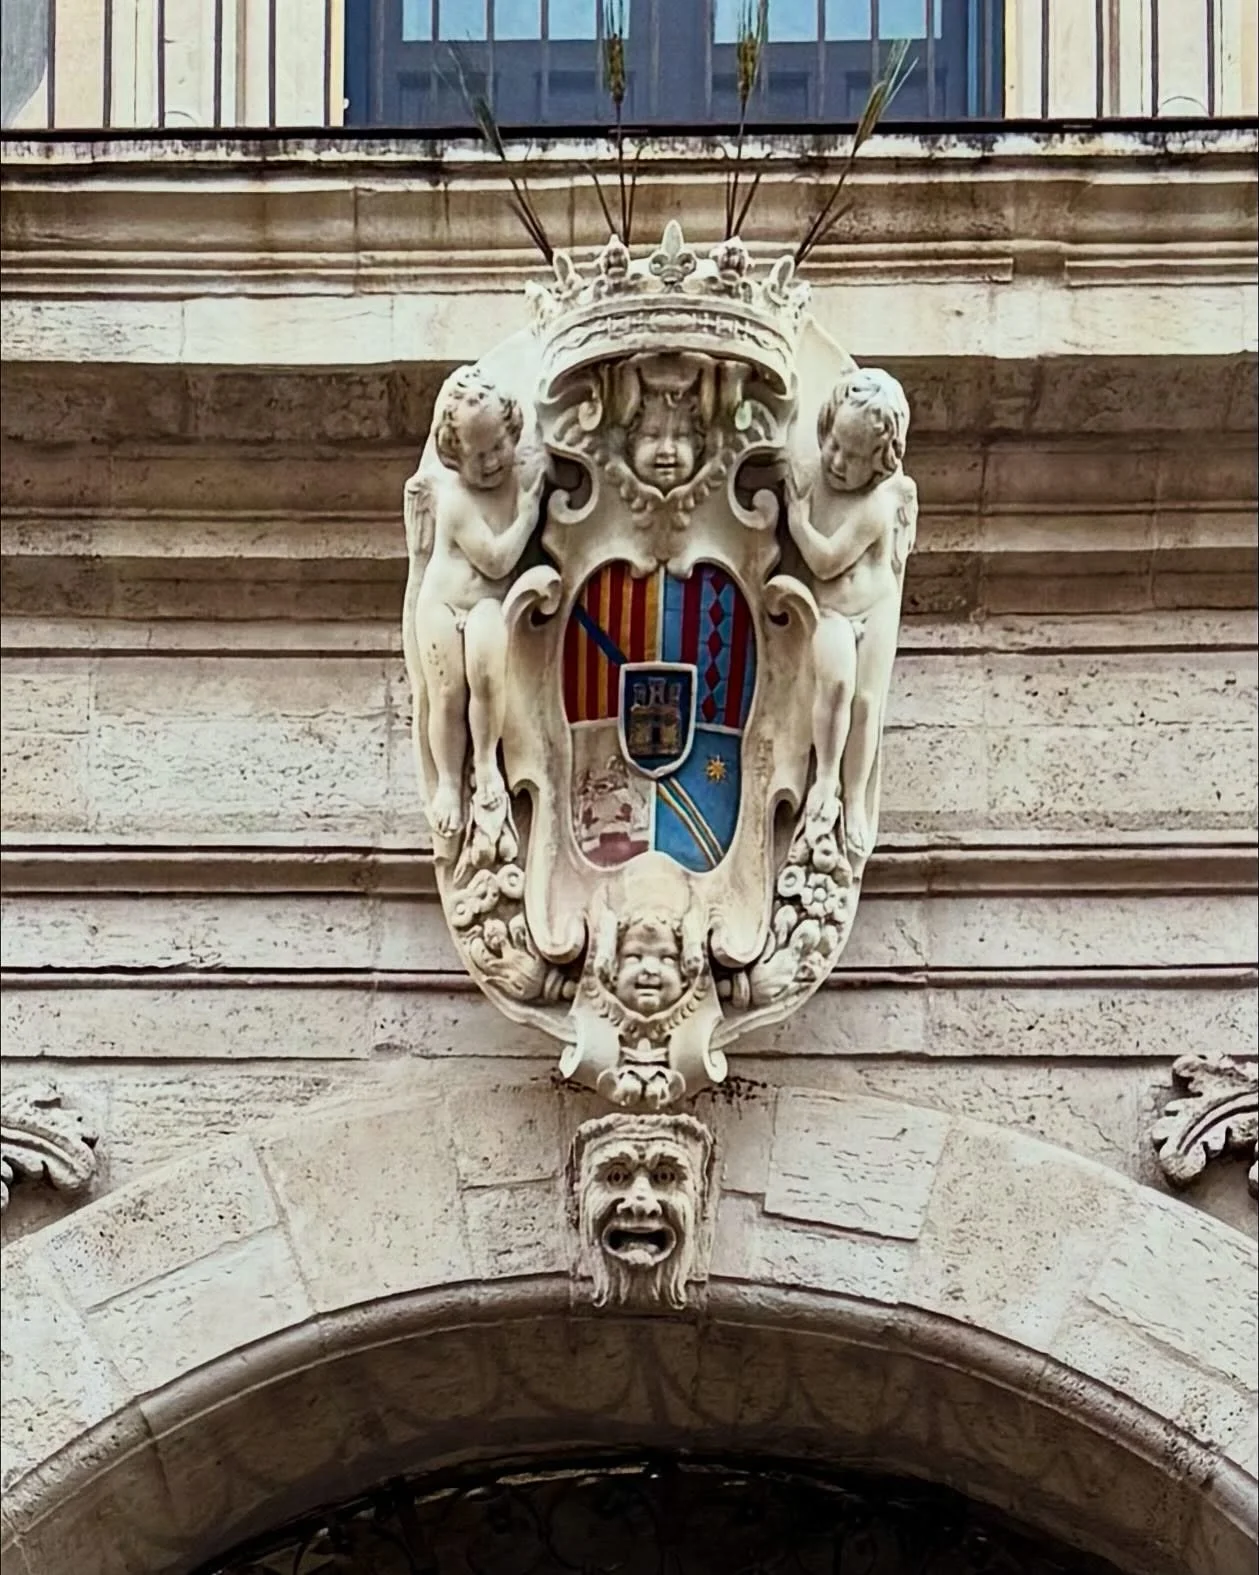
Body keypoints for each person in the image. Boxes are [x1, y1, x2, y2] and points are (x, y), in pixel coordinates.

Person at [404, 365, 544, 841]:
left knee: (486, 677)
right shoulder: (457, 500)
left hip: (488, 607)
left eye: (499, 448)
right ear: (454, 456)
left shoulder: (520, 474)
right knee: (447, 695)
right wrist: (527, 514)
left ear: (514, 433)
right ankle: (448, 781)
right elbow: (497, 560)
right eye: (477, 455)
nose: (490, 463)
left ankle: (486, 764)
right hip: (443, 608)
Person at [786, 367, 918, 862]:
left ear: (882, 462)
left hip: (876, 608)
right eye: (835, 445)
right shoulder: (815, 475)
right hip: (831, 613)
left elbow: (825, 559)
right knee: (837, 685)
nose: (838, 463)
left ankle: (854, 798)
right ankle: (824, 780)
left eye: (856, 457)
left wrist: (797, 522)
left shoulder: (879, 505)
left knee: (867, 704)